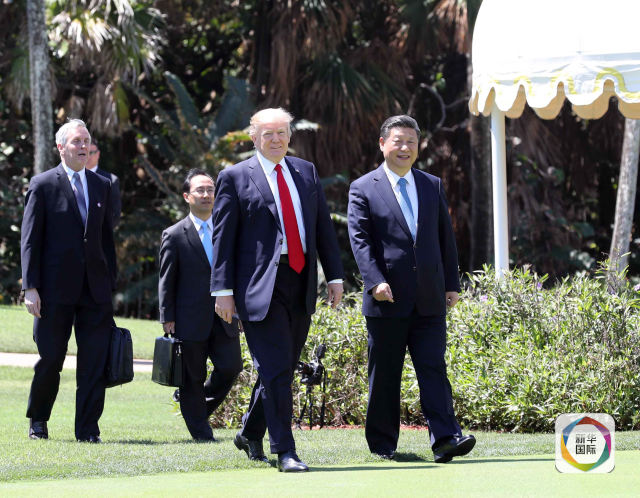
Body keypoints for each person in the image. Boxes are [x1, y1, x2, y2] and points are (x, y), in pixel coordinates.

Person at [210, 108, 344, 472]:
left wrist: (334, 276)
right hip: (257, 286)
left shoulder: (306, 171)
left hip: (300, 280)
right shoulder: (235, 177)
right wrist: (222, 290)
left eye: (281, 132)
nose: (275, 139)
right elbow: (223, 239)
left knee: (281, 367)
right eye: (267, 133)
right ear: (253, 137)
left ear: (290, 136)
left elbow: (322, 227)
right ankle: (285, 450)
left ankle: (249, 432)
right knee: (275, 368)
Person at [347, 115, 475, 463]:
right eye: (398, 141)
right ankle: (382, 443)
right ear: (382, 144)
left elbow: (444, 237)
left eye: (411, 142)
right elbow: (360, 241)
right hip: (386, 298)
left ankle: (446, 439)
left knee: (433, 368)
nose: (405, 148)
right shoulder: (363, 187)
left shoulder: (431, 184)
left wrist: (451, 284)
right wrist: (374, 282)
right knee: (385, 374)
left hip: (429, 297)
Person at [21, 119, 117, 443]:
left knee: (94, 363)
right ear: (61, 147)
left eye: (86, 141)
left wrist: (110, 283)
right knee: (50, 359)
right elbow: (30, 240)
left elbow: (106, 240)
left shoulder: (102, 184)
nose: (83, 146)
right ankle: (38, 421)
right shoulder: (43, 184)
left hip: (95, 291)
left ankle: (88, 430)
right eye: (76, 141)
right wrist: (30, 287)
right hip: (53, 291)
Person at [158, 169, 243, 441]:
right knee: (191, 377)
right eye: (200, 190)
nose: (207, 195)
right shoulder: (174, 235)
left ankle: (195, 409)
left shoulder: (229, 230)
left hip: (225, 315)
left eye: (210, 189)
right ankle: (201, 433)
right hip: (189, 318)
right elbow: (167, 279)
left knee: (231, 367)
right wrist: (167, 316)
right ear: (187, 196)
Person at [86, 140, 122, 227]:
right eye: (84, 153)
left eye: (91, 152)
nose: (88, 156)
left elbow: (115, 215)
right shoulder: (71, 178)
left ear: (98, 154)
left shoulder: (111, 180)